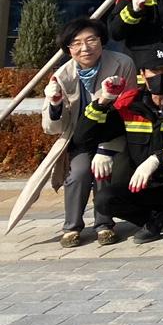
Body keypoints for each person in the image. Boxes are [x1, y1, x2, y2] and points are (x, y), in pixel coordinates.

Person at [74, 42, 163, 251]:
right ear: (143, 74)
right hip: (148, 181)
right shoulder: (129, 102)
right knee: (105, 200)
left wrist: (157, 159)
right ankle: (155, 216)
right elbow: (83, 137)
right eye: (154, 70)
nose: (161, 75)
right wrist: (103, 101)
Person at [41, 18, 137, 247]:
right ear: (68, 49)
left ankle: (104, 224)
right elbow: (51, 128)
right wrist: (55, 103)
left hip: (113, 135)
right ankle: (72, 227)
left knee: (103, 168)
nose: (85, 48)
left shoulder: (123, 63)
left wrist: (105, 149)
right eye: (76, 43)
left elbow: (129, 107)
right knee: (79, 172)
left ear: (102, 41)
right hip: (80, 139)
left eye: (91, 40)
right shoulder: (61, 76)